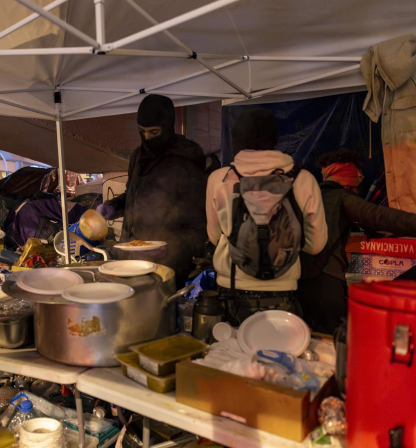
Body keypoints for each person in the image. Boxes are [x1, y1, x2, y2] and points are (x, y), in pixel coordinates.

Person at [206, 109, 328, 325]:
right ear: (274, 138)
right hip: (282, 292)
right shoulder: (302, 179)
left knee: (231, 347)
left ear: (236, 139)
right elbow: (315, 246)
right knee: (280, 347)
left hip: (232, 289)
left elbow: (215, 237)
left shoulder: (219, 179)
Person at [299, 149, 416, 334]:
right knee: (339, 341)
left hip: (297, 283)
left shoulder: (305, 197)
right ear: (350, 183)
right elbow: (381, 216)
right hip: (326, 285)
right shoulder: (342, 197)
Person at [97, 95, 208, 286]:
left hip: (168, 266)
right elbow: (132, 195)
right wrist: (113, 207)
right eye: (142, 132)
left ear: (168, 127)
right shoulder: (138, 157)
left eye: (154, 132)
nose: (147, 138)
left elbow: (199, 227)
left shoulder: (184, 163)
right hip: (131, 258)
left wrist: (170, 248)